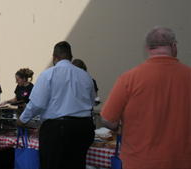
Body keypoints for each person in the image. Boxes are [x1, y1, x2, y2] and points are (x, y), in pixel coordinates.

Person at [101, 26, 191, 169]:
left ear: (147, 47)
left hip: (138, 162)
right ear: (173, 45)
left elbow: (107, 119)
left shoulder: (128, 79)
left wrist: (119, 129)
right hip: (182, 162)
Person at [17, 41, 95, 169]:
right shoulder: (85, 76)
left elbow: (37, 104)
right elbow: (91, 102)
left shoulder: (48, 74)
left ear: (54, 57)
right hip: (84, 128)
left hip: (58, 129)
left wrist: (22, 119)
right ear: (71, 58)